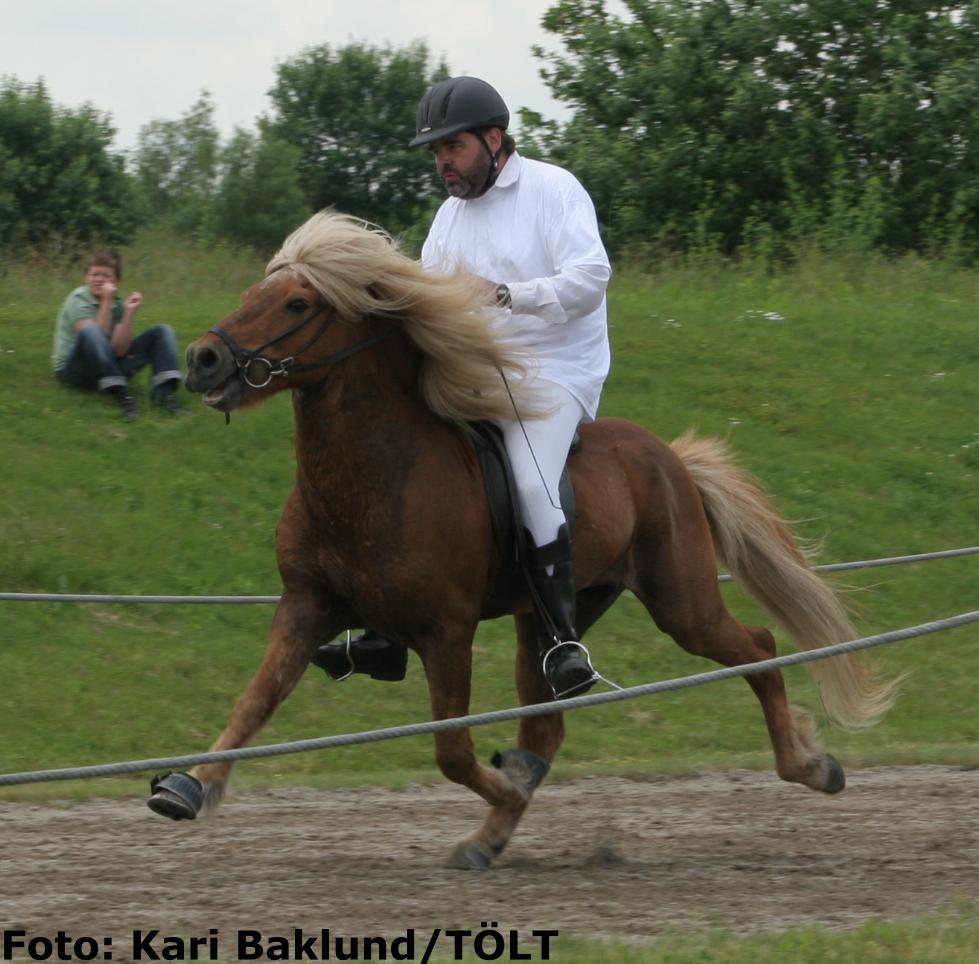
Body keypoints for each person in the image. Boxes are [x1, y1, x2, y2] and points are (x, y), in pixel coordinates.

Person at [314, 76, 612, 697]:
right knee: (406, 460)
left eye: (451, 148)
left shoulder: (555, 190)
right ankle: (388, 634)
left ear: (493, 140)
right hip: (480, 372)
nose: (442, 162)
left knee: (532, 479)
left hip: (555, 371)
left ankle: (561, 641)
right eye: (435, 152)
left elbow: (591, 278)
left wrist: (506, 293)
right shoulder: (450, 218)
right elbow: (425, 297)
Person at [51, 250, 184, 419]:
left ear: (116, 281)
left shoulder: (118, 304)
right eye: (94, 274)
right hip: (74, 372)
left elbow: (118, 350)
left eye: (105, 275)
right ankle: (123, 395)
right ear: (87, 277)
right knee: (91, 331)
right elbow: (98, 337)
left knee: (163, 331)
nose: (98, 279)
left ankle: (164, 394)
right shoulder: (77, 299)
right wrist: (107, 302)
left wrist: (129, 312)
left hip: (104, 369)